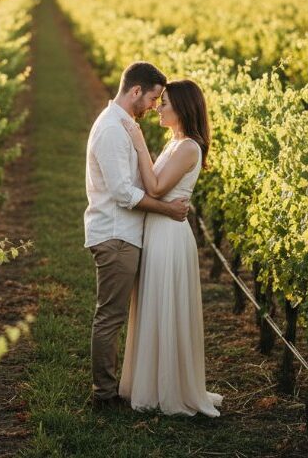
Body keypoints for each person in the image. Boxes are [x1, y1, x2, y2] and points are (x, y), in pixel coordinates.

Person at [84, 61, 190, 410]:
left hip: (125, 234)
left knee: (117, 314)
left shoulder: (123, 125)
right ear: (135, 92)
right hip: (116, 236)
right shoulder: (114, 130)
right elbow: (122, 193)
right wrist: (168, 210)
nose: (155, 106)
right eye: (153, 98)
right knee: (110, 316)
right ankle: (103, 395)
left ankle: (123, 386)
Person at [117, 78, 223, 417]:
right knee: (154, 304)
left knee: (165, 305)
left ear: (182, 108)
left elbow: (157, 187)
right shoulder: (175, 142)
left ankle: (170, 390)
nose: (158, 107)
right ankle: (152, 383)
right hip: (159, 231)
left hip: (170, 237)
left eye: (165, 103)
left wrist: (137, 142)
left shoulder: (189, 147)